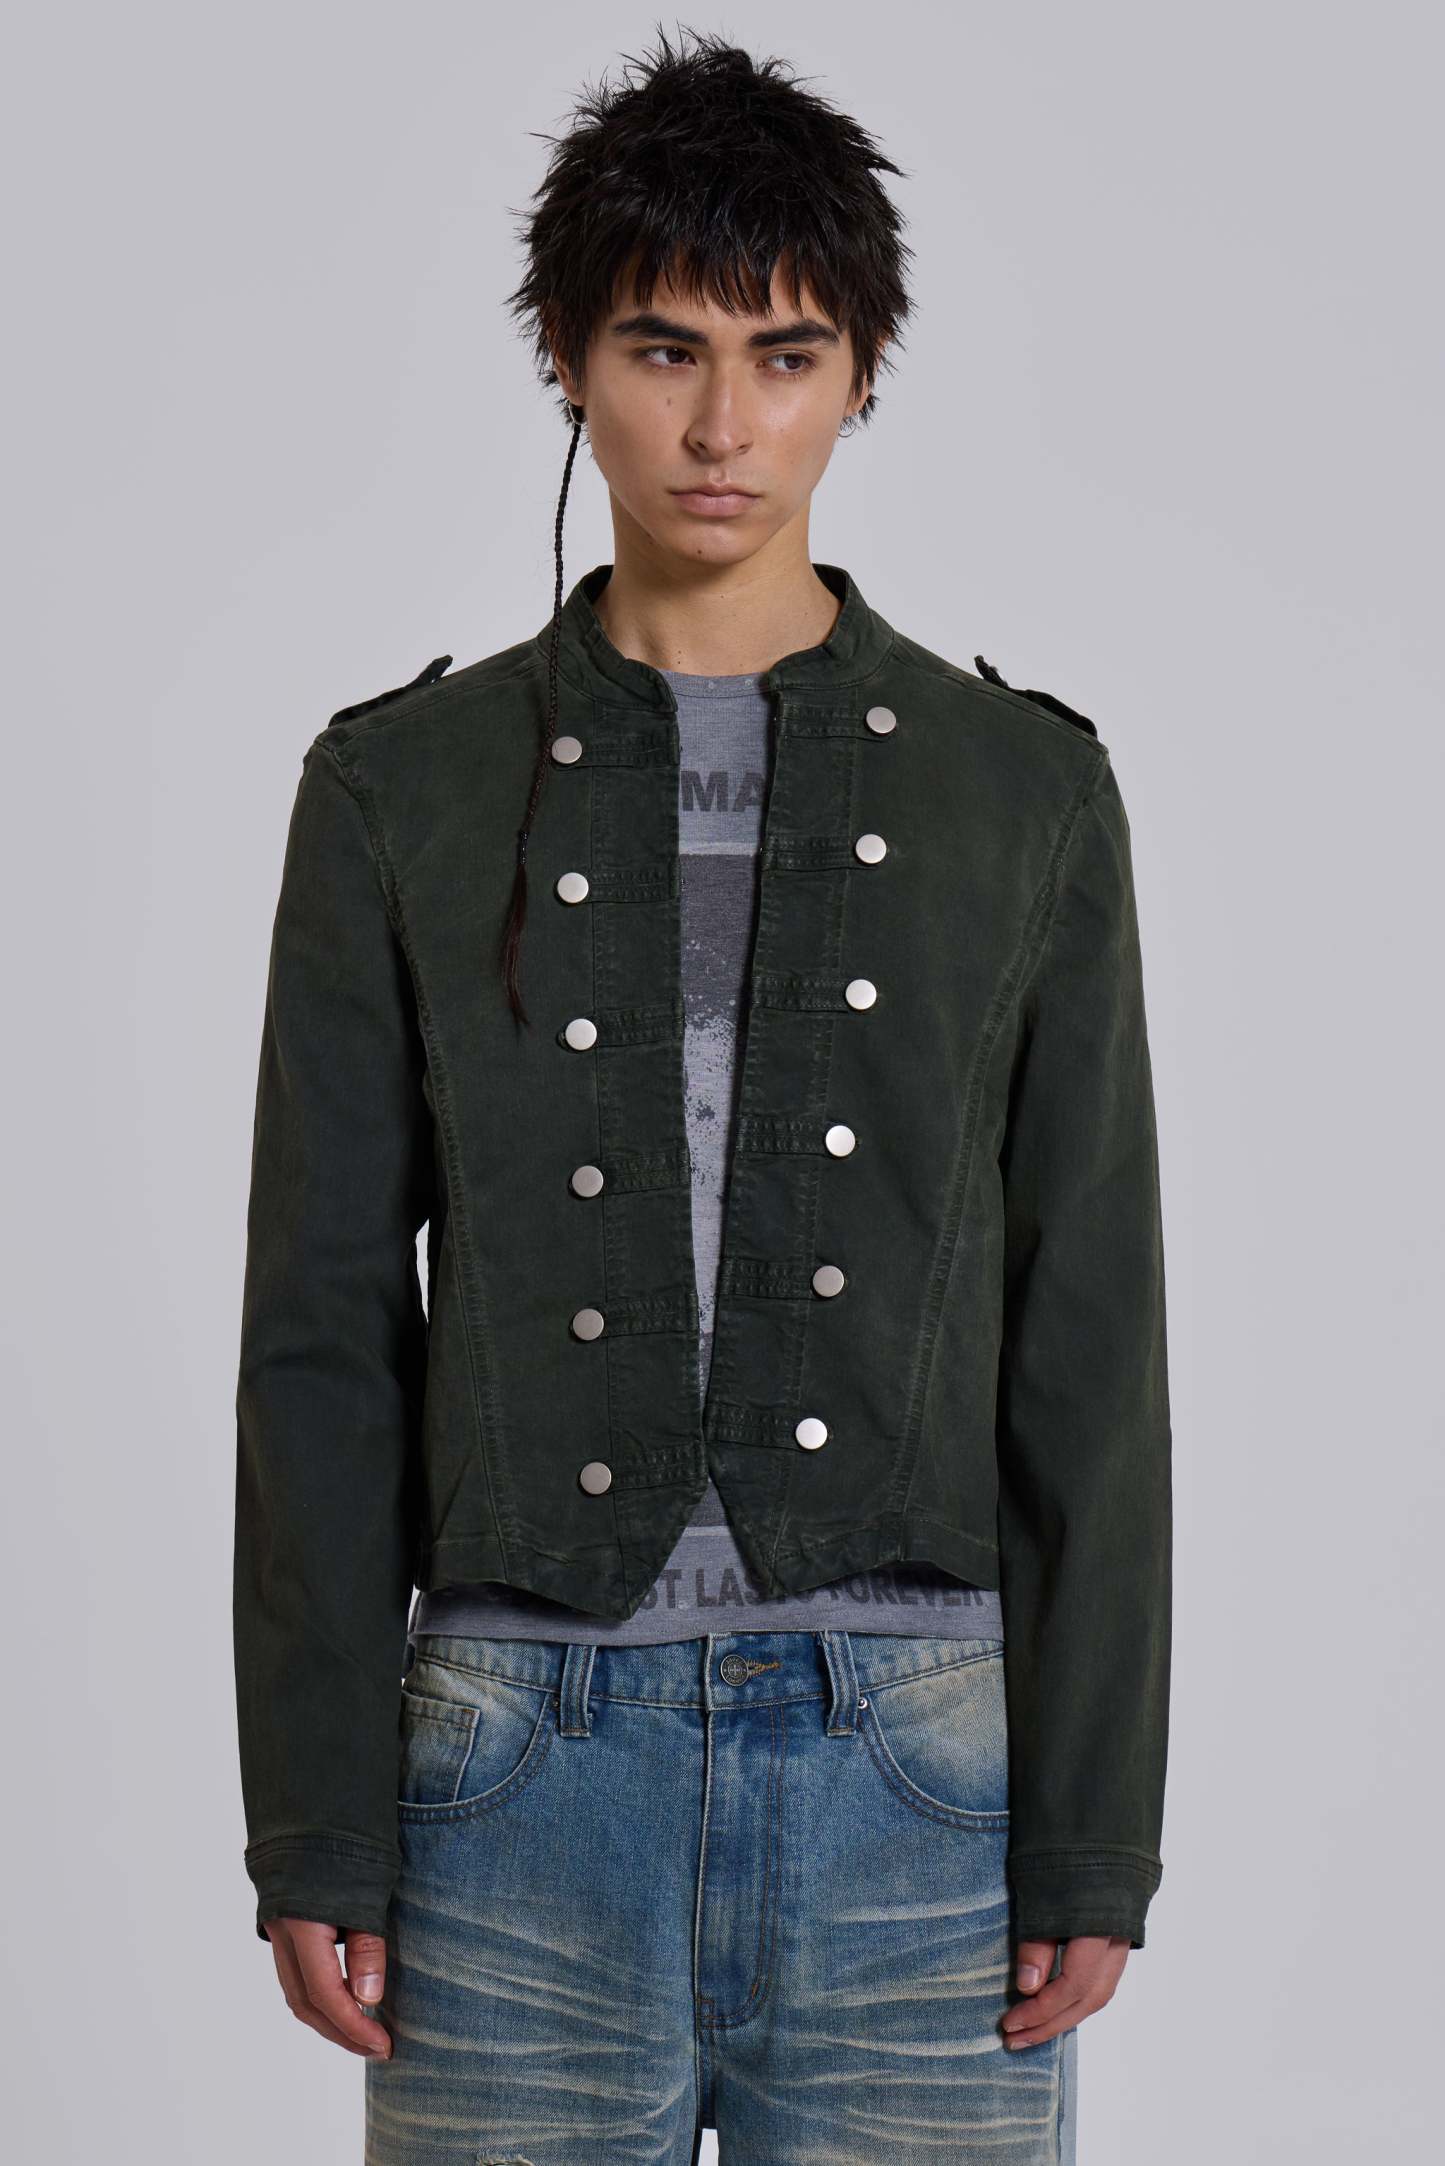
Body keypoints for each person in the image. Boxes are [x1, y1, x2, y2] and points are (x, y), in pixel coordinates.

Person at [232, 26, 1171, 2163]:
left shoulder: (1024, 795)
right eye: (665, 349)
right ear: (569, 361)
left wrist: (1092, 1831)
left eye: (786, 354)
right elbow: (321, 1334)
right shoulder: (399, 790)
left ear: (860, 376)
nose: (724, 424)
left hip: (920, 1778)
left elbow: (1091, 1335)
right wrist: (318, 1819)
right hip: (508, 1772)